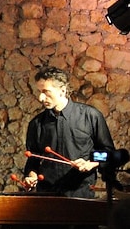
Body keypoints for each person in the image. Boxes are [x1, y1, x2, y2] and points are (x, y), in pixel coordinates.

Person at [22, 66, 115, 197]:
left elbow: (108, 152)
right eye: (39, 92)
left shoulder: (90, 116)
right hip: (47, 195)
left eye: (46, 92)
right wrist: (31, 176)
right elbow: (33, 159)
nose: (41, 98)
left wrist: (91, 163)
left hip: (80, 194)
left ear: (62, 90)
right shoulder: (36, 123)